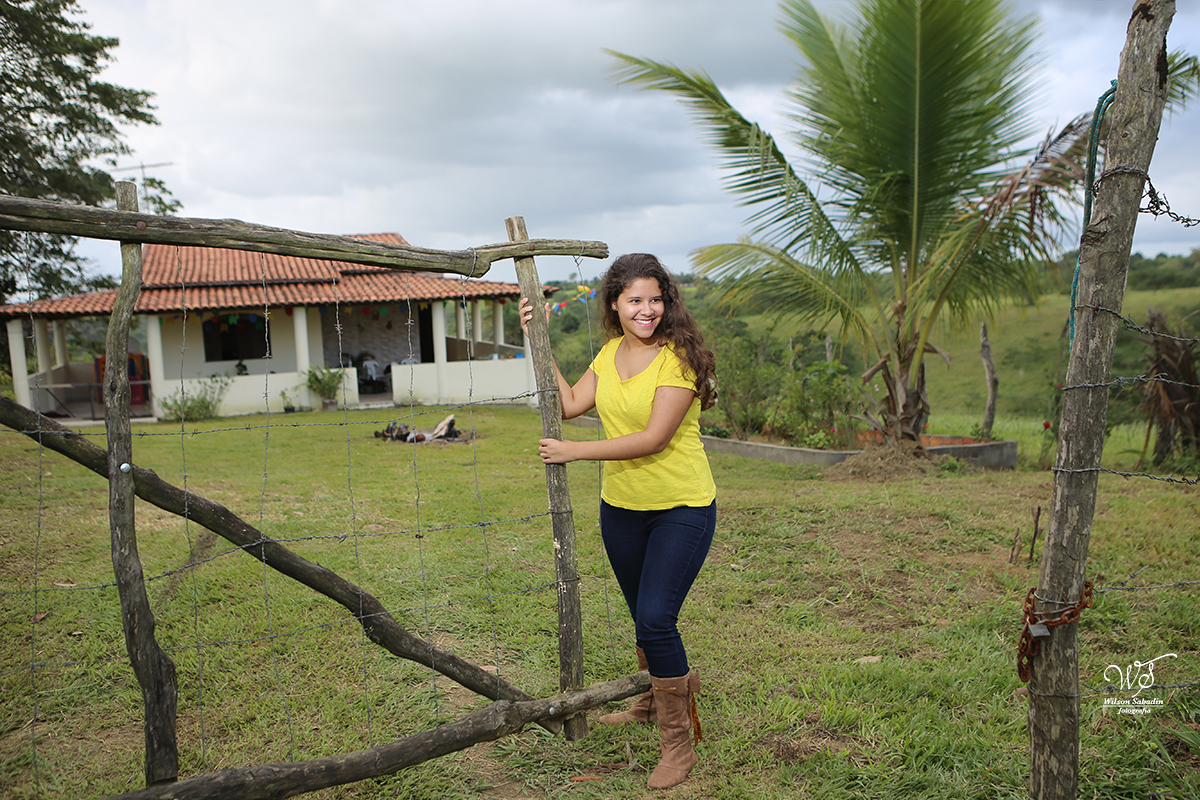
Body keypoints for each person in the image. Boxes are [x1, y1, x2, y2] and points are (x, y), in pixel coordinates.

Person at [520, 253, 716, 789]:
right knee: (641, 619)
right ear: (615, 303)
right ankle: (655, 702)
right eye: (635, 300)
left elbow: (654, 438)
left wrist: (573, 453)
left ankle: (678, 744)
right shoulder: (608, 355)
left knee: (657, 619)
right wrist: (535, 341)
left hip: (682, 507)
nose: (647, 309)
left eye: (656, 299)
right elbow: (571, 403)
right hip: (623, 510)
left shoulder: (677, 361)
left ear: (666, 302)